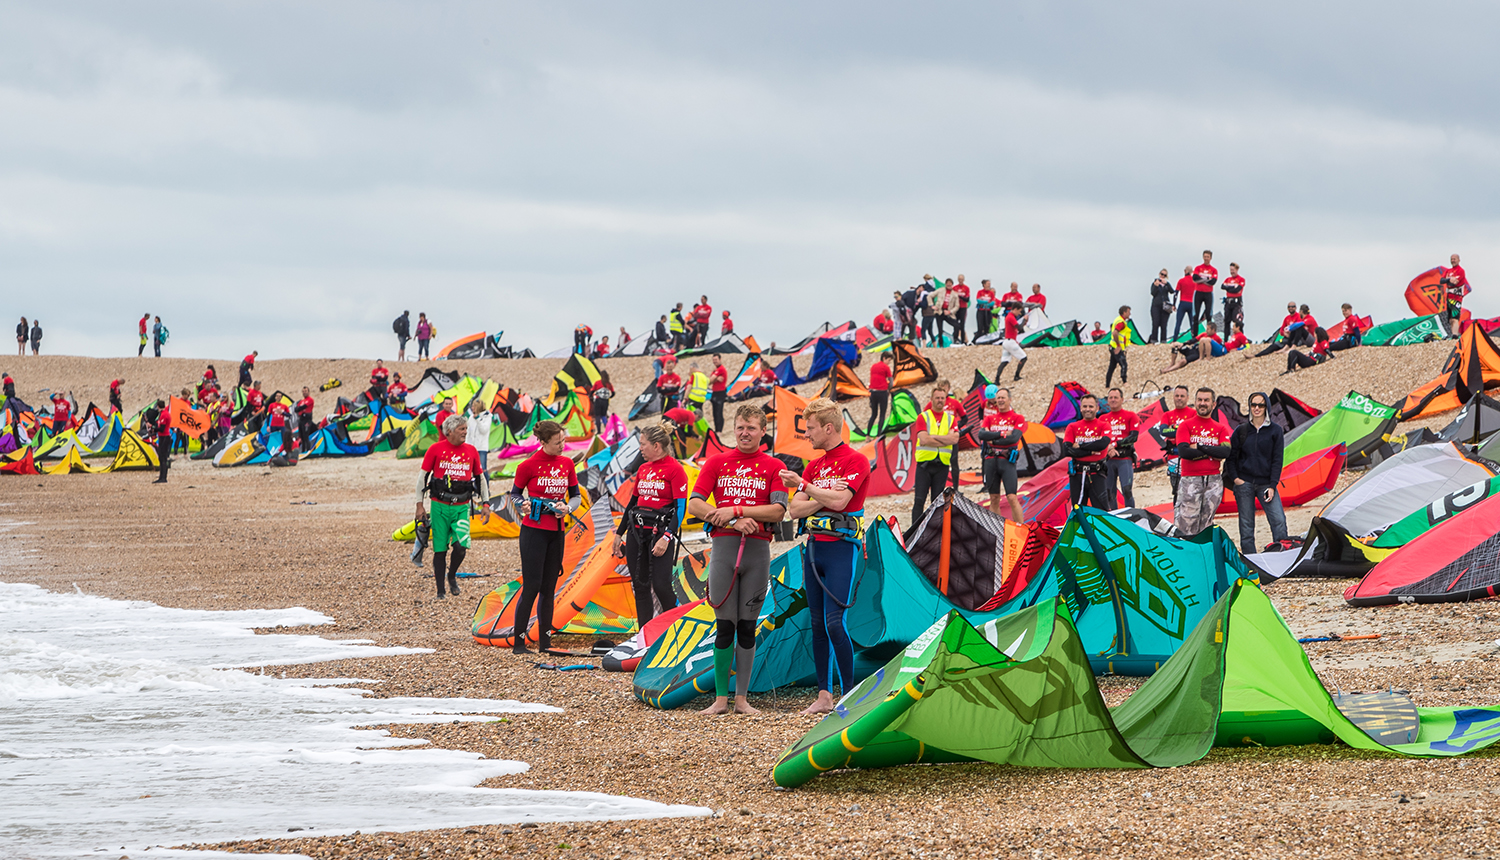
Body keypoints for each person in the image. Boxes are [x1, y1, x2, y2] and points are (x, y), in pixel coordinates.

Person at [688, 404, 789, 715]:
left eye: (752, 428)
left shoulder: (774, 466)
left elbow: (778, 511)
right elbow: (694, 504)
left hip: (757, 552)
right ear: (734, 430)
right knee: (724, 626)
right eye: (740, 428)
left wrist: (737, 510)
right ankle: (720, 699)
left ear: (762, 432)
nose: (745, 434)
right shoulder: (716, 462)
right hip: (724, 550)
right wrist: (731, 522)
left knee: (747, 627)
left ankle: (742, 699)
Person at [781, 399, 870, 715]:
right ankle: (823, 696)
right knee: (817, 623)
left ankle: (849, 694)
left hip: (841, 550)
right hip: (814, 550)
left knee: (835, 622)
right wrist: (824, 498)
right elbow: (795, 510)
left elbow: (844, 499)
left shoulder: (856, 460)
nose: (807, 435)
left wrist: (809, 489)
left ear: (829, 428)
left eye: (811, 428)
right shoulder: (814, 466)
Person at [506, 420, 578, 649]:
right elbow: (515, 494)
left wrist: (569, 508)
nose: (563, 445)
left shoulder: (567, 464)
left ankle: (545, 642)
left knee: (549, 588)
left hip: (556, 532)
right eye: (558, 442)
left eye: (564, 440)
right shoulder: (528, 465)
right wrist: (522, 505)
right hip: (533, 532)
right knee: (532, 585)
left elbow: (575, 495)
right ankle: (519, 642)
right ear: (544, 442)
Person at [613, 424, 687, 628]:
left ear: (656, 446)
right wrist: (619, 534)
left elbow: (681, 508)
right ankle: (644, 635)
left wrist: (667, 537)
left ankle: (674, 630)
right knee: (640, 585)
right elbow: (632, 504)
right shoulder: (643, 469)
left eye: (642, 444)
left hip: (660, 535)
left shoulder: (675, 469)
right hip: (637, 534)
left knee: (661, 585)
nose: (640, 449)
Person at [418, 413, 492, 600]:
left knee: (460, 547)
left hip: (461, 507)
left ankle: (452, 575)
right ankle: (440, 590)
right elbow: (422, 478)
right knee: (440, 550)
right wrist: (419, 505)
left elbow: (481, 479)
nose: (465, 432)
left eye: (466, 429)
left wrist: (486, 503)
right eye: (461, 429)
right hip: (439, 506)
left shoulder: (472, 450)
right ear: (449, 431)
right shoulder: (435, 449)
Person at [1225, 392, 1290, 554]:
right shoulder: (1241, 430)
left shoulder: (1275, 430)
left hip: (1266, 484)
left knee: (1278, 520)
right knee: (1246, 526)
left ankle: (1282, 555)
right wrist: (1236, 479)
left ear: (1266, 406)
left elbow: (1277, 460)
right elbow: (1231, 458)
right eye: (1253, 404)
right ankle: (1251, 561)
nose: (1257, 408)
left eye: (1260, 405)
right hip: (1244, 483)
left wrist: (1273, 485)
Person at [1173, 388, 1232, 535]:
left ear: (1213, 404)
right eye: (1199, 400)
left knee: (1207, 524)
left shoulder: (1220, 428)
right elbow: (1185, 452)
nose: (1202, 403)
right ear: (1195, 402)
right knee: (1186, 523)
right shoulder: (1185, 426)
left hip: (1213, 481)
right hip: (1190, 480)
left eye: (1206, 400)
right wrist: (1212, 452)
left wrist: (1199, 447)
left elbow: (1225, 452)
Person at [910, 381, 961, 525]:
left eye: (942, 398)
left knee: (937, 502)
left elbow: (955, 439)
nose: (940, 401)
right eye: (937, 398)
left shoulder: (950, 419)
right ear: (932, 400)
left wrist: (934, 437)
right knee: (919, 500)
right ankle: (915, 530)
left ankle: (934, 531)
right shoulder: (923, 417)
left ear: (946, 400)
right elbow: (923, 439)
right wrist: (945, 439)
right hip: (925, 465)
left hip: (942, 465)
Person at [975, 385, 1027, 522]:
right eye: (998, 398)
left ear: (1009, 399)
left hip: (1007, 461)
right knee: (994, 498)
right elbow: (981, 435)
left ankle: (1021, 527)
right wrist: (1002, 434)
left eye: (1003, 398)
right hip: (991, 460)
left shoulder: (1018, 418)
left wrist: (992, 437)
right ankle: (996, 529)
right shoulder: (990, 418)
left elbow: (1014, 438)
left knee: (1012, 497)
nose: (1001, 400)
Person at [1061, 394, 1112, 509]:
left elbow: (1103, 444)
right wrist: (1090, 452)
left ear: (1097, 408)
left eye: (1091, 406)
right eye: (1085, 406)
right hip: (1077, 475)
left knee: (1101, 511)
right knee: (1078, 510)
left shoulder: (1104, 425)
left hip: (1097, 474)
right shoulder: (1072, 426)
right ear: (1080, 408)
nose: (1088, 409)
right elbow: (1067, 450)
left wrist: (1080, 446)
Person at [1101, 388, 1139, 508]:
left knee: (1127, 490)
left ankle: (1131, 518)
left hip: (1124, 459)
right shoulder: (1102, 419)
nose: (1113, 400)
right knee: (1109, 492)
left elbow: (1134, 437)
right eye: (1110, 398)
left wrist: (1116, 445)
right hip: (1109, 459)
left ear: (1122, 399)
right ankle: (1114, 519)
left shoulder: (1130, 415)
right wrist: (1109, 448)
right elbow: (1098, 438)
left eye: (1116, 397)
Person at [1154, 385, 1193, 502]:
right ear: (1173, 397)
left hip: (1189, 457)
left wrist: (1175, 428)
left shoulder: (1193, 414)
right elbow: (1163, 431)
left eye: (1182, 396)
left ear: (1187, 398)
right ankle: (1177, 519)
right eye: (1177, 396)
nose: (1179, 398)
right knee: (1176, 491)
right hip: (1173, 458)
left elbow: (1194, 432)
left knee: (1190, 491)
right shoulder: (1167, 415)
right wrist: (1183, 429)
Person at [1158, 321, 1225, 374]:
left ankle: (1167, 370)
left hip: (1198, 354)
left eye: (1208, 329)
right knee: (1176, 345)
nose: (1206, 330)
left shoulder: (1217, 338)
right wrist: (1183, 343)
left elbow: (1221, 347)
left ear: (1213, 330)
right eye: (1206, 329)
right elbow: (1193, 340)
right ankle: (1172, 363)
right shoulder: (1204, 334)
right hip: (1193, 349)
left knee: (1183, 361)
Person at [996, 306, 1027, 381]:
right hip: (1011, 342)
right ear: (1015, 309)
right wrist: (1024, 320)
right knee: (1023, 358)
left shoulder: (1009, 317)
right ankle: (1016, 376)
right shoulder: (1011, 317)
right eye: (1019, 311)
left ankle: (997, 379)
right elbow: (1019, 328)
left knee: (1004, 361)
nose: (1019, 313)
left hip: (1006, 341)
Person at [1191, 250, 1218, 332]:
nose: (1206, 258)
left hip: (1208, 294)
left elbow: (1213, 282)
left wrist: (1201, 280)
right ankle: (1195, 335)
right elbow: (1195, 279)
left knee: (1209, 315)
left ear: (1211, 258)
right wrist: (1207, 279)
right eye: (1205, 257)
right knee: (1195, 315)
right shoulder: (1198, 268)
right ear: (1203, 257)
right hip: (1198, 293)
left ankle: (1209, 334)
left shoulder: (1213, 270)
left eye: (1208, 257)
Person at [866, 352, 892, 434]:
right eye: (889, 360)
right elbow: (891, 382)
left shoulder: (873, 366)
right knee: (882, 414)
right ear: (884, 358)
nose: (889, 362)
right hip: (882, 392)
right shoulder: (886, 367)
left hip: (873, 392)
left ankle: (867, 435)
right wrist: (889, 389)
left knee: (873, 414)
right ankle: (878, 435)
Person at [1106, 306, 1131, 387]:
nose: (1130, 314)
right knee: (1123, 364)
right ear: (1124, 313)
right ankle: (1125, 382)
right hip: (1116, 347)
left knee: (1112, 366)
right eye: (1128, 312)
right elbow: (1115, 333)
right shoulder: (1121, 322)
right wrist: (1118, 346)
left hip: (1112, 345)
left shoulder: (1117, 319)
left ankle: (1107, 385)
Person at [466, 396, 493, 472]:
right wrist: (466, 444)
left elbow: (484, 430)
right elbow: (468, 431)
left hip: (481, 447)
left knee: (482, 468)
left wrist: (478, 419)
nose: (472, 408)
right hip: (471, 446)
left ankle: (485, 483)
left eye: (473, 406)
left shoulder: (487, 417)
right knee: (471, 468)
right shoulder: (471, 417)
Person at [1441, 253, 1470, 323]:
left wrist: (1449, 280)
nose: (1453, 261)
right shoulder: (1448, 271)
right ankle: (1451, 332)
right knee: (1449, 319)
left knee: (1455, 318)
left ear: (1458, 260)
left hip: (1457, 297)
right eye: (1451, 259)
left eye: (1454, 259)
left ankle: (1455, 334)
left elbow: (1455, 282)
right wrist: (1448, 280)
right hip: (1449, 297)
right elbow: (1441, 280)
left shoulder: (1461, 270)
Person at [1171, 265, 1196, 340]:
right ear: (1192, 272)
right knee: (1192, 323)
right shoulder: (1194, 282)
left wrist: (1174, 304)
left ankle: (1175, 339)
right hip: (1191, 304)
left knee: (1178, 323)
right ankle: (1194, 339)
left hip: (1183, 303)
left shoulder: (1181, 280)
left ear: (1185, 271)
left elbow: (1176, 294)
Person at [150, 399, 172, 484]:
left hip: (164, 437)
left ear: (158, 406)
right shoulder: (164, 414)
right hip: (164, 437)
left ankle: (163, 477)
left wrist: (154, 428)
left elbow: (162, 429)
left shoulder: (164, 415)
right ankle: (162, 476)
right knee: (162, 457)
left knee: (162, 457)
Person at [1148, 269, 1173, 343]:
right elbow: (1153, 293)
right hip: (1156, 305)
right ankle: (1154, 340)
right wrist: (1156, 286)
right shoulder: (1155, 283)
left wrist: (1167, 284)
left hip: (1165, 307)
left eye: (1164, 275)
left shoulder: (1166, 285)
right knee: (1155, 323)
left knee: (1164, 324)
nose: (1162, 276)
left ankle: (1163, 340)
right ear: (1159, 274)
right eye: (1162, 274)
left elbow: (1172, 291)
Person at [267, 396, 292, 462]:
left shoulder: (284, 406)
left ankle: (284, 453)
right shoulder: (272, 405)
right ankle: (273, 452)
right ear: (275, 397)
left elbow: (289, 415)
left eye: (279, 396)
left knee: (284, 439)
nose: (278, 397)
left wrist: (282, 412)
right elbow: (268, 415)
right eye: (277, 396)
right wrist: (267, 426)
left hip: (281, 425)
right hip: (273, 425)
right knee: (273, 439)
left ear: (281, 398)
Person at [589, 370, 614, 437]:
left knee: (597, 415)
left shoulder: (597, 383)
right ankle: (607, 429)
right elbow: (613, 393)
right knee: (603, 415)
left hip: (598, 400)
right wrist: (609, 397)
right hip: (605, 401)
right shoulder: (609, 384)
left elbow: (592, 391)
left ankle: (599, 431)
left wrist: (590, 396)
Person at [708, 354, 728, 434]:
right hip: (714, 392)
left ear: (720, 359)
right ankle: (717, 430)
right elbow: (710, 381)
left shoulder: (721, 369)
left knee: (718, 412)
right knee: (714, 412)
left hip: (720, 392)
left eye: (716, 359)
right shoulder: (715, 370)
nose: (714, 361)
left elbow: (710, 380)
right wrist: (716, 378)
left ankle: (719, 430)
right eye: (713, 360)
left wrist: (714, 378)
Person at [1221, 263, 1245, 330]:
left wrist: (1228, 288)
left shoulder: (1241, 279)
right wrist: (1232, 288)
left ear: (1237, 270)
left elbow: (1237, 290)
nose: (1232, 272)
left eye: (1233, 270)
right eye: (1230, 270)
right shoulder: (1227, 279)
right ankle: (1226, 339)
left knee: (1237, 321)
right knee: (1226, 321)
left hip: (1236, 303)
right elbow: (1222, 286)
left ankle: (1239, 337)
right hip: (1228, 302)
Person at [950, 275, 971, 344]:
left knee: (962, 325)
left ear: (963, 280)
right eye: (959, 279)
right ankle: (955, 339)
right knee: (955, 324)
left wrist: (959, 296)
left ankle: (963, 340)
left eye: (962, 279)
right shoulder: (954, 288)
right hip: (956, 308)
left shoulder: (966, 288)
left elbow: (967, 299)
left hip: (963, 308)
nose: (960, 280)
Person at [296, 387, 316, 452]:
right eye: (303, 391)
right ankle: (303, 450)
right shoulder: (301, 401)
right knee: (301, 436)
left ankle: (308, 450)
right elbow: (296, 409)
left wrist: (300, 408)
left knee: (306, 435)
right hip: (301, 419)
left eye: (306, 391)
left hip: (307, 419)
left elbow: (303, 407)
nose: (304, 392)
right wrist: (300, 408)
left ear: (309, 392)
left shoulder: (310, 399)